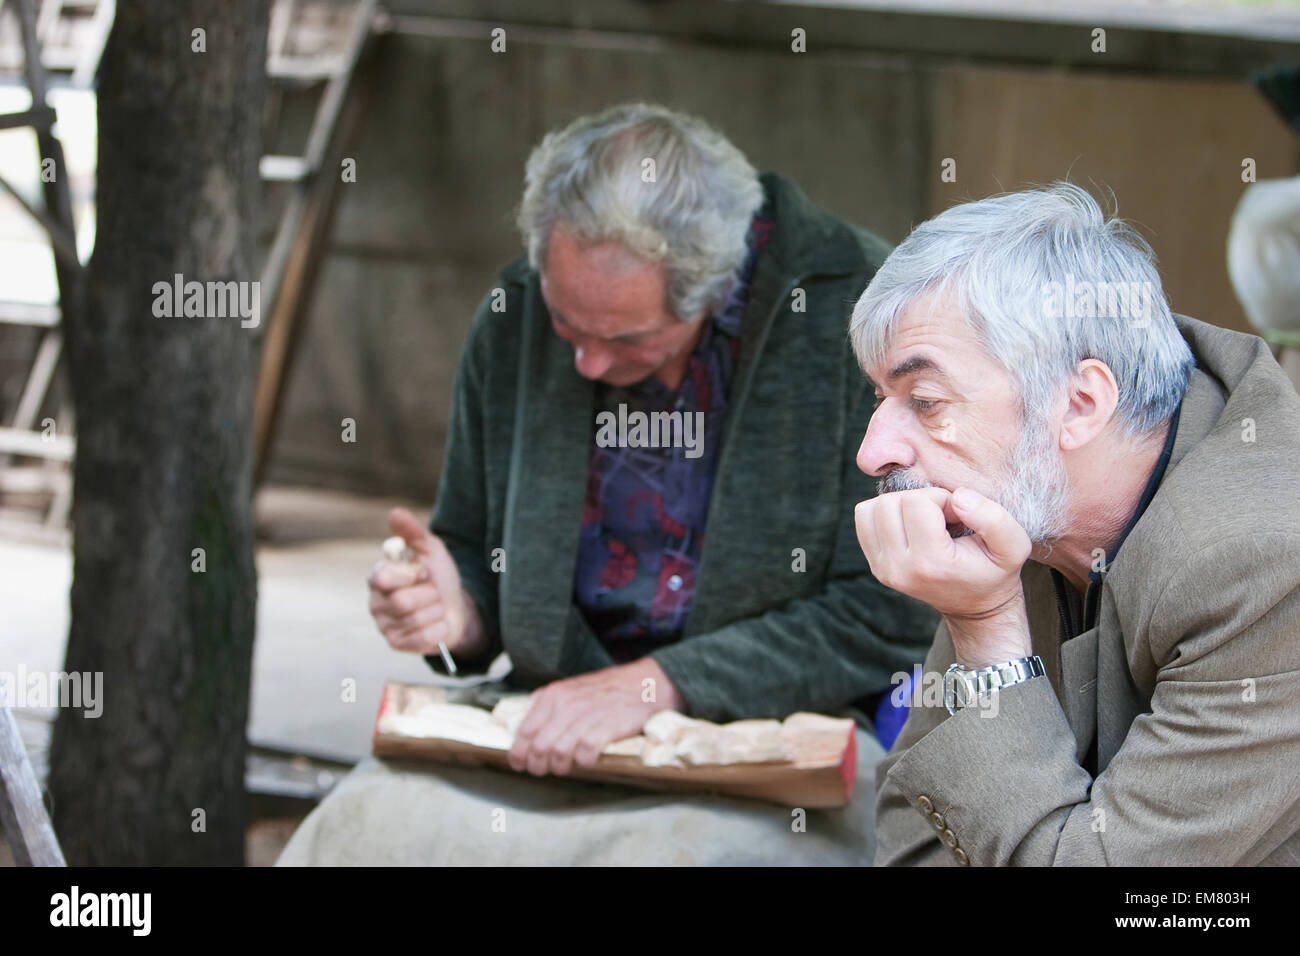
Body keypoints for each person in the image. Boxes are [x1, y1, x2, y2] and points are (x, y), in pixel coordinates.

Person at [276, 103, 937, 865]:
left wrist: (658, 686)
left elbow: (890, 614)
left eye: (625, 339)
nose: (585, 365)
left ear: (714, 288)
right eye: (567, 326)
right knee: (350, 839)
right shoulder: (516, 310)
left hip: (762, 746)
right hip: (541, 728)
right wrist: (456, 610)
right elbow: (471, 547)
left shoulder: (853, 321)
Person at [851, 182, 1300, 866]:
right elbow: (913, 833)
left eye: (926, 399)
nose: (872, 450)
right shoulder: (1030, 497)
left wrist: (985, 631)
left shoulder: (1264, 558)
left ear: (1080, 404)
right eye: (883, 398)